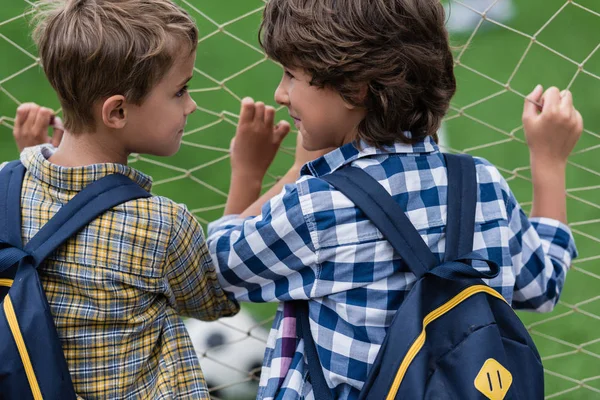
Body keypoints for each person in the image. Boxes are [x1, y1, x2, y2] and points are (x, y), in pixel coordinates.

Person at [206, 0, 583, 399]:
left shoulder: (317, 206)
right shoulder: (481, 181)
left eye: (291, 75)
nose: (281, 93)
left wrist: (258, 174)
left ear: (355, 87)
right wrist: (549, 162)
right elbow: (541, 285)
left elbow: (216, 269)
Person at [1, 0, 293, 397]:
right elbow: (218, 297)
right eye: (180, 91)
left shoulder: (4, 185)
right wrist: (252, 173)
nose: (191, 104)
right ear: (117, 111)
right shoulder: (160, 224)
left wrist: (30, 156)